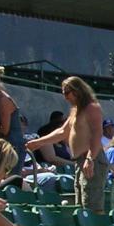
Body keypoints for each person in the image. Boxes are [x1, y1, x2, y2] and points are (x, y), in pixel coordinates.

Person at [26, 76, 108, 213]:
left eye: (66, 92)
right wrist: (38, 142)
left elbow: (96, 134)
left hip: (92, 160)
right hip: (79, 161)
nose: (65, 97)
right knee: (81, 204)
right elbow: (63, 132)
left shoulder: (92, 108)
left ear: (77, 91)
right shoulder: (75, 110)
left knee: (92, 204)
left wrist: (90, 158)